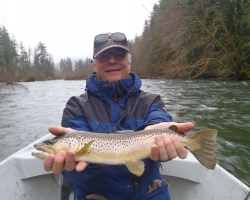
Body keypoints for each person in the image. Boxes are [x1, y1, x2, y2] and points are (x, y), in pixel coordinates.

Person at [44, 32, 194, 200]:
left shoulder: (151, 101)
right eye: (104, 56)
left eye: (119, 55)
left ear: (129, 62)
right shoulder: (76, 106)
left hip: (151, 194)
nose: (112, 60)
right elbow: (76, 174)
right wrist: (82, 164)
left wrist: (161, 138)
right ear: (94, 65)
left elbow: (159, 120)